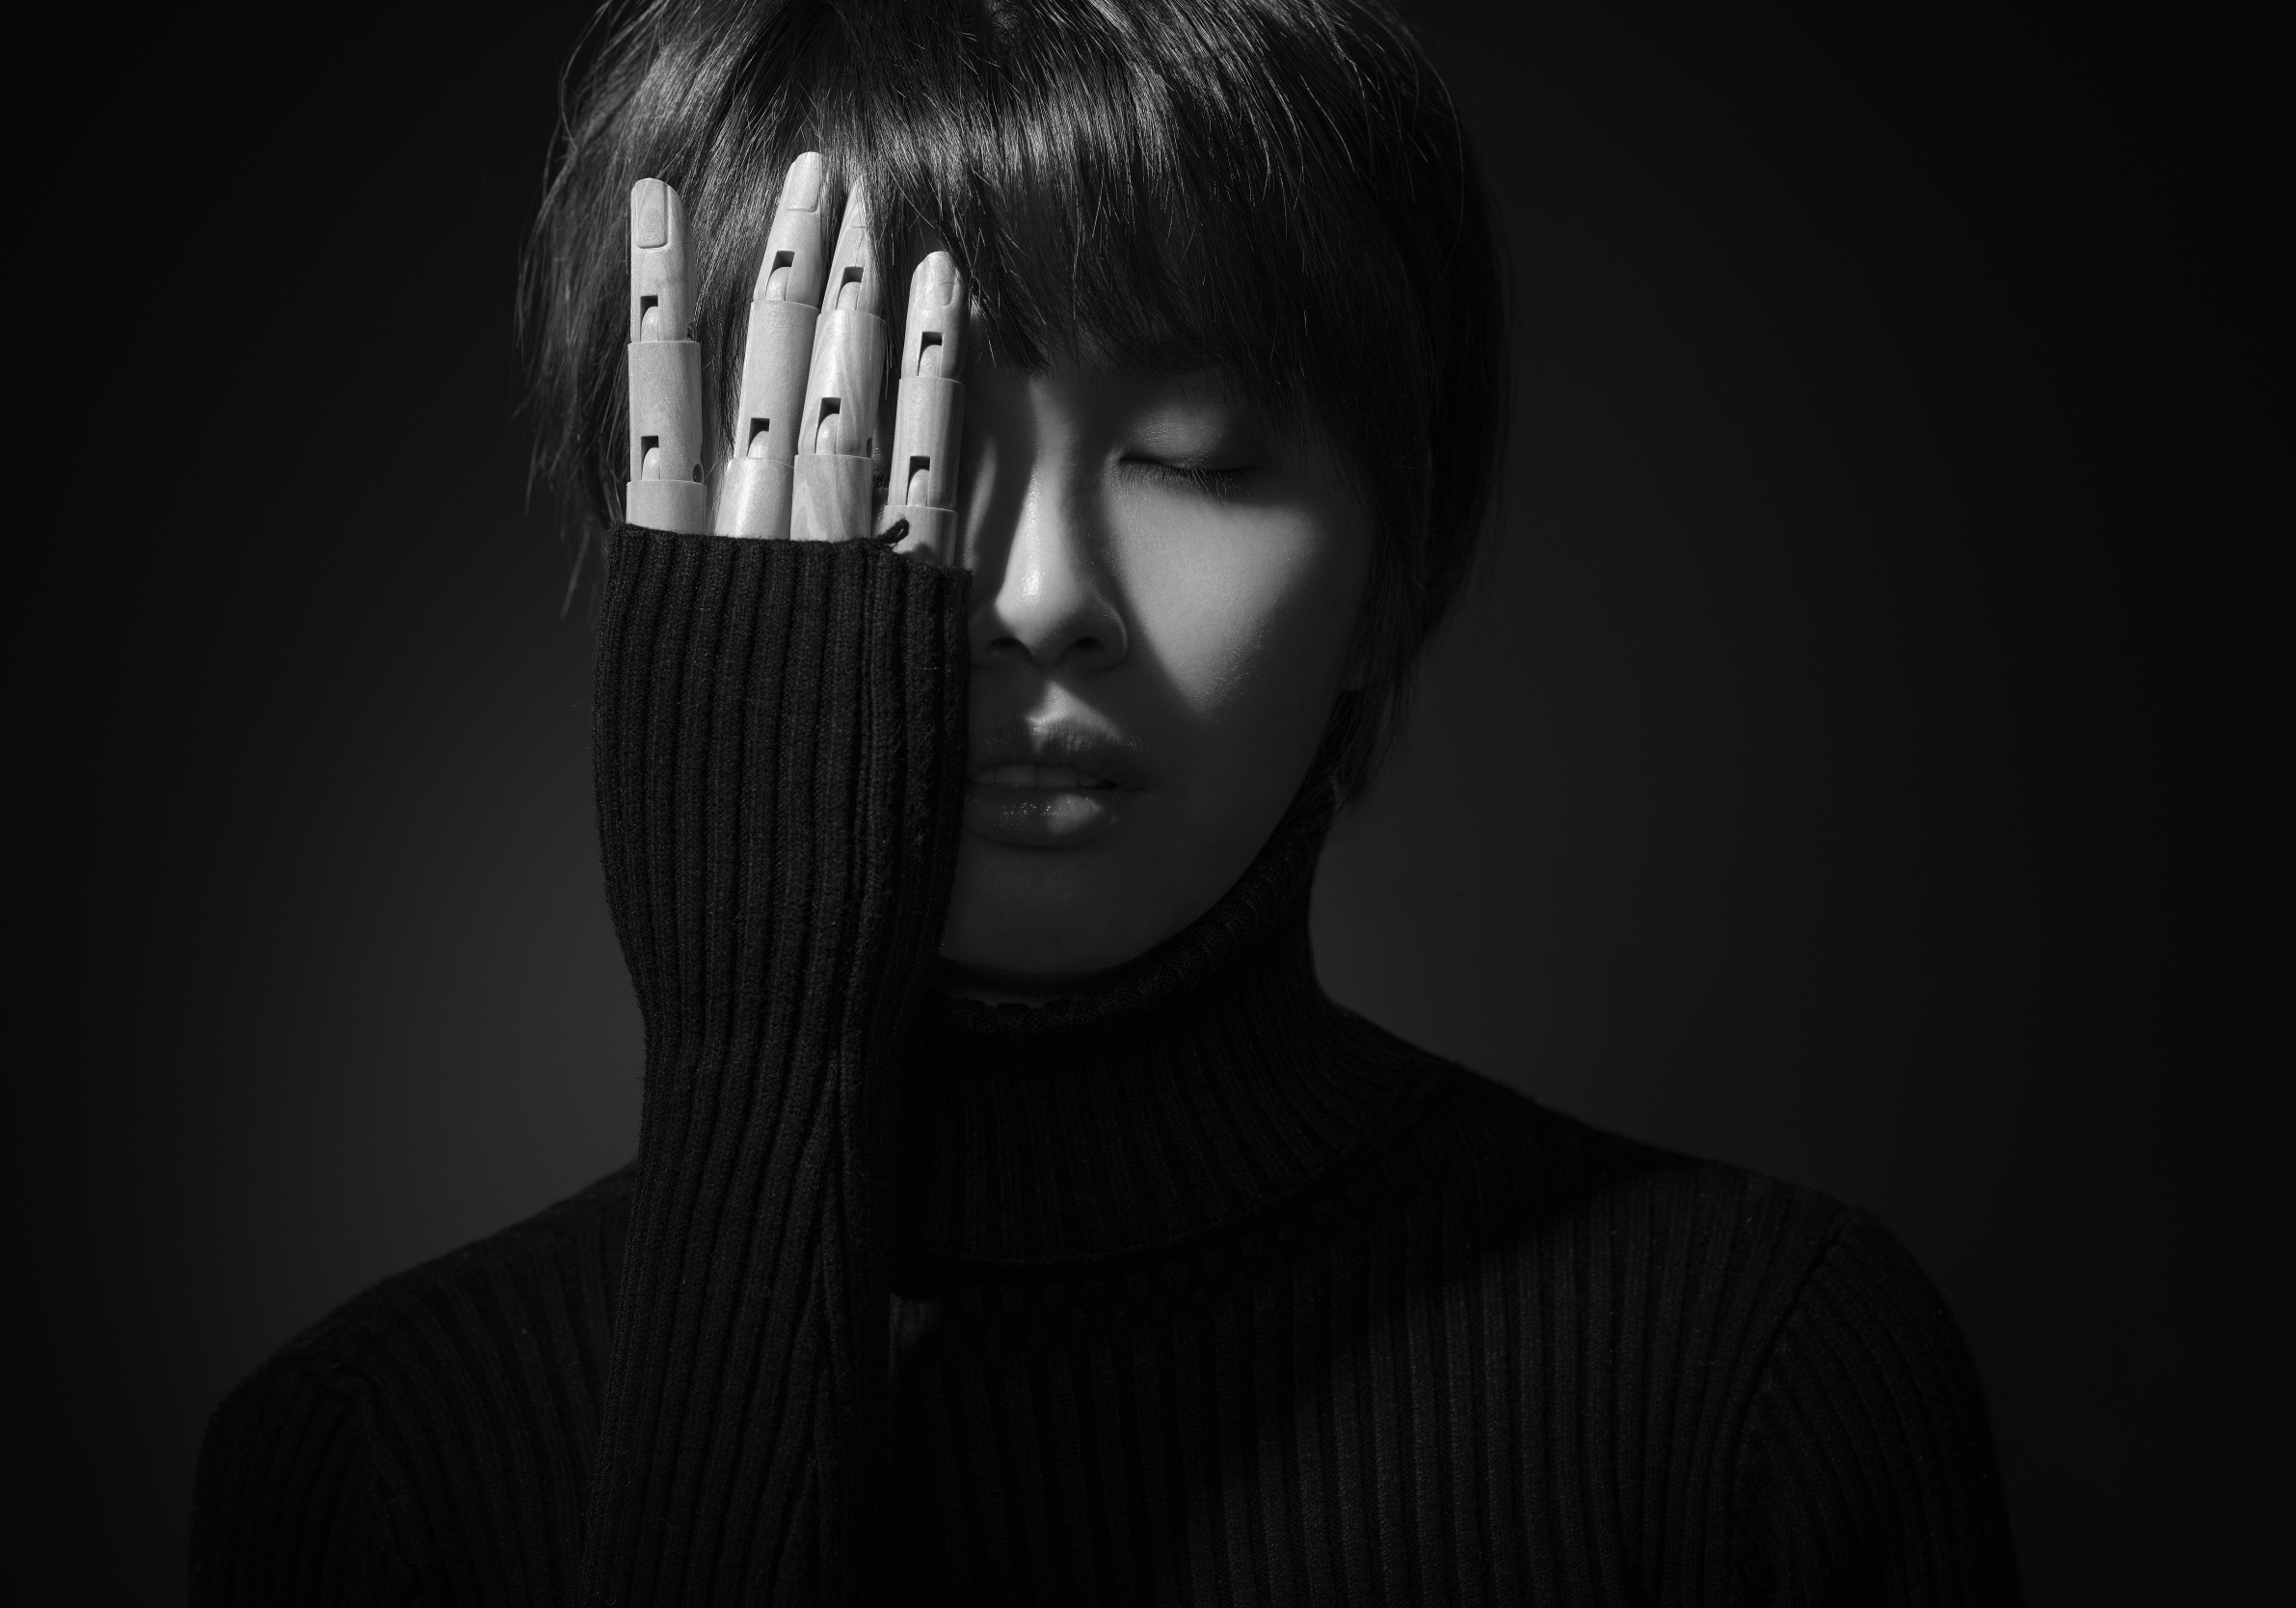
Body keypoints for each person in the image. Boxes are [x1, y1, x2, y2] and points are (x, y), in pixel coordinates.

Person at [191, 0, 2020, 1601]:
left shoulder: (1753, 1390)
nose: (1039, 590)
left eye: (1195, 458)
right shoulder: (377, 1471)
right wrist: (754, 1071)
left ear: (1392, 560)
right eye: (887, 448)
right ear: (672, 534)